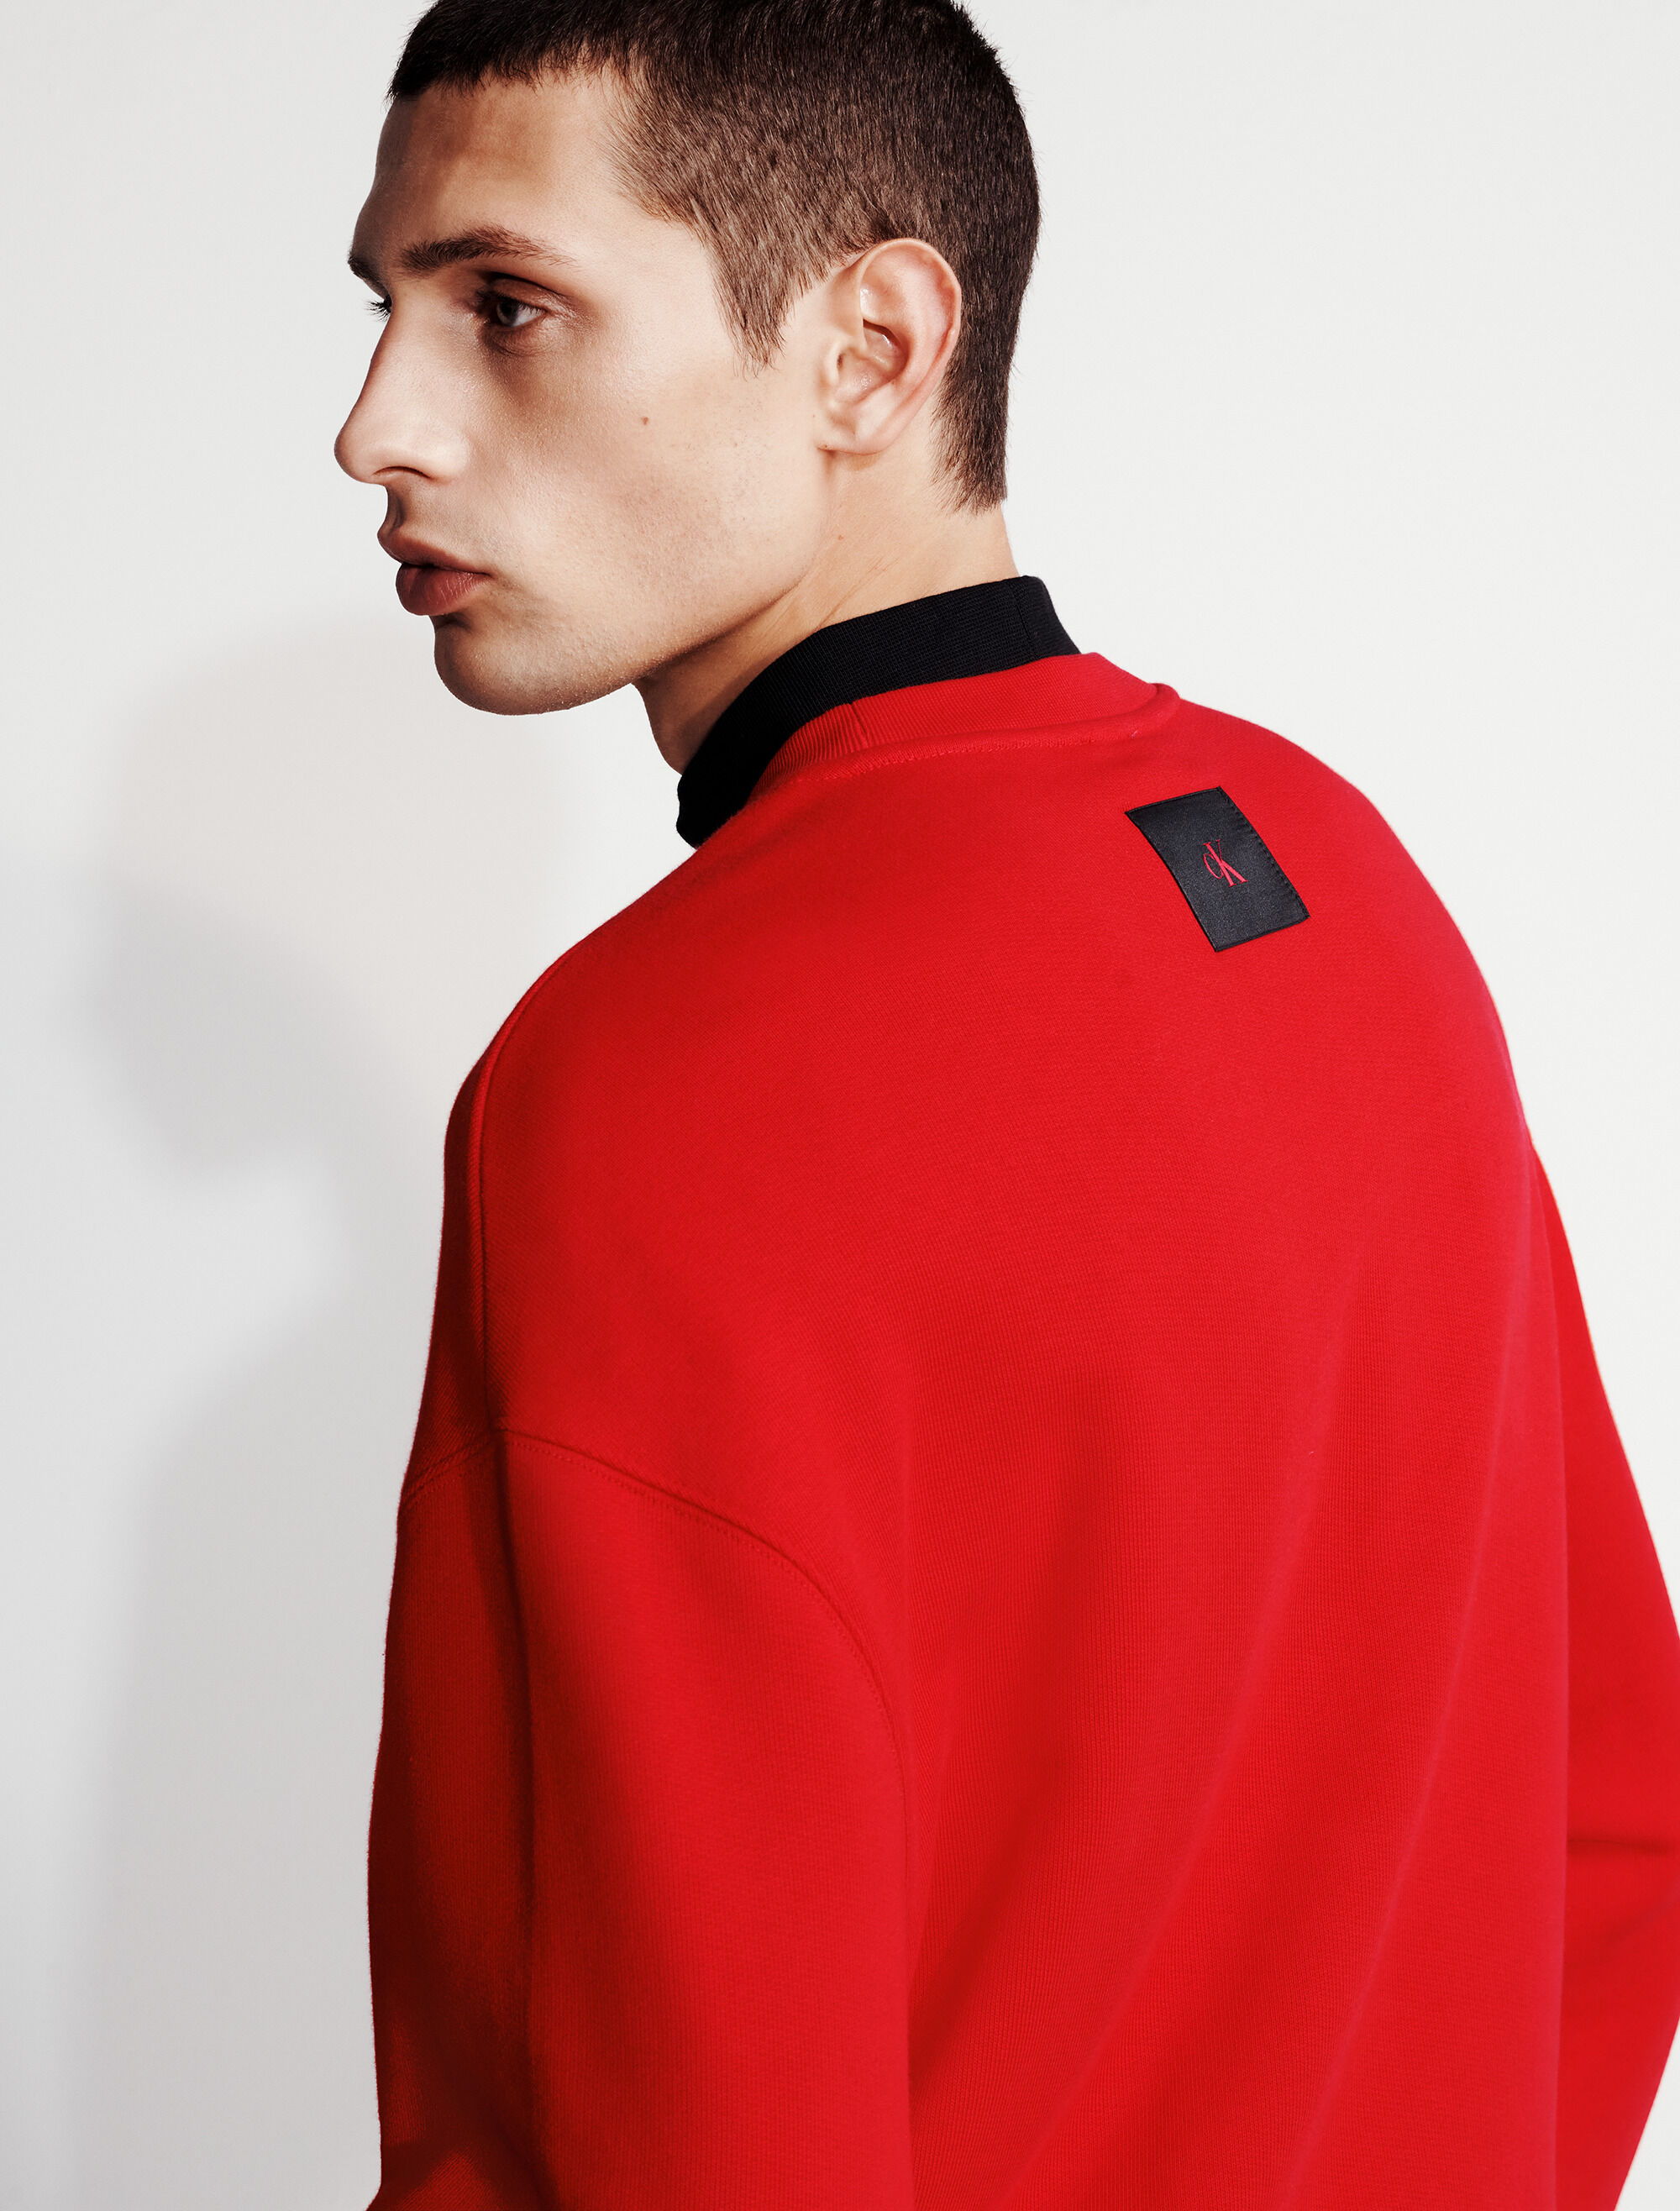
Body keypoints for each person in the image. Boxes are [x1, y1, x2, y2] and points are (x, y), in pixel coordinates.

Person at [333, 4, 1680, 2206]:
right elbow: (1611, 1818)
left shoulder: (650, 1076)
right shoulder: (1330, 875)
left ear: (871, 350)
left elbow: (677, 2132)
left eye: (505, 306)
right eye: (382, 310)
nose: (376, 424)